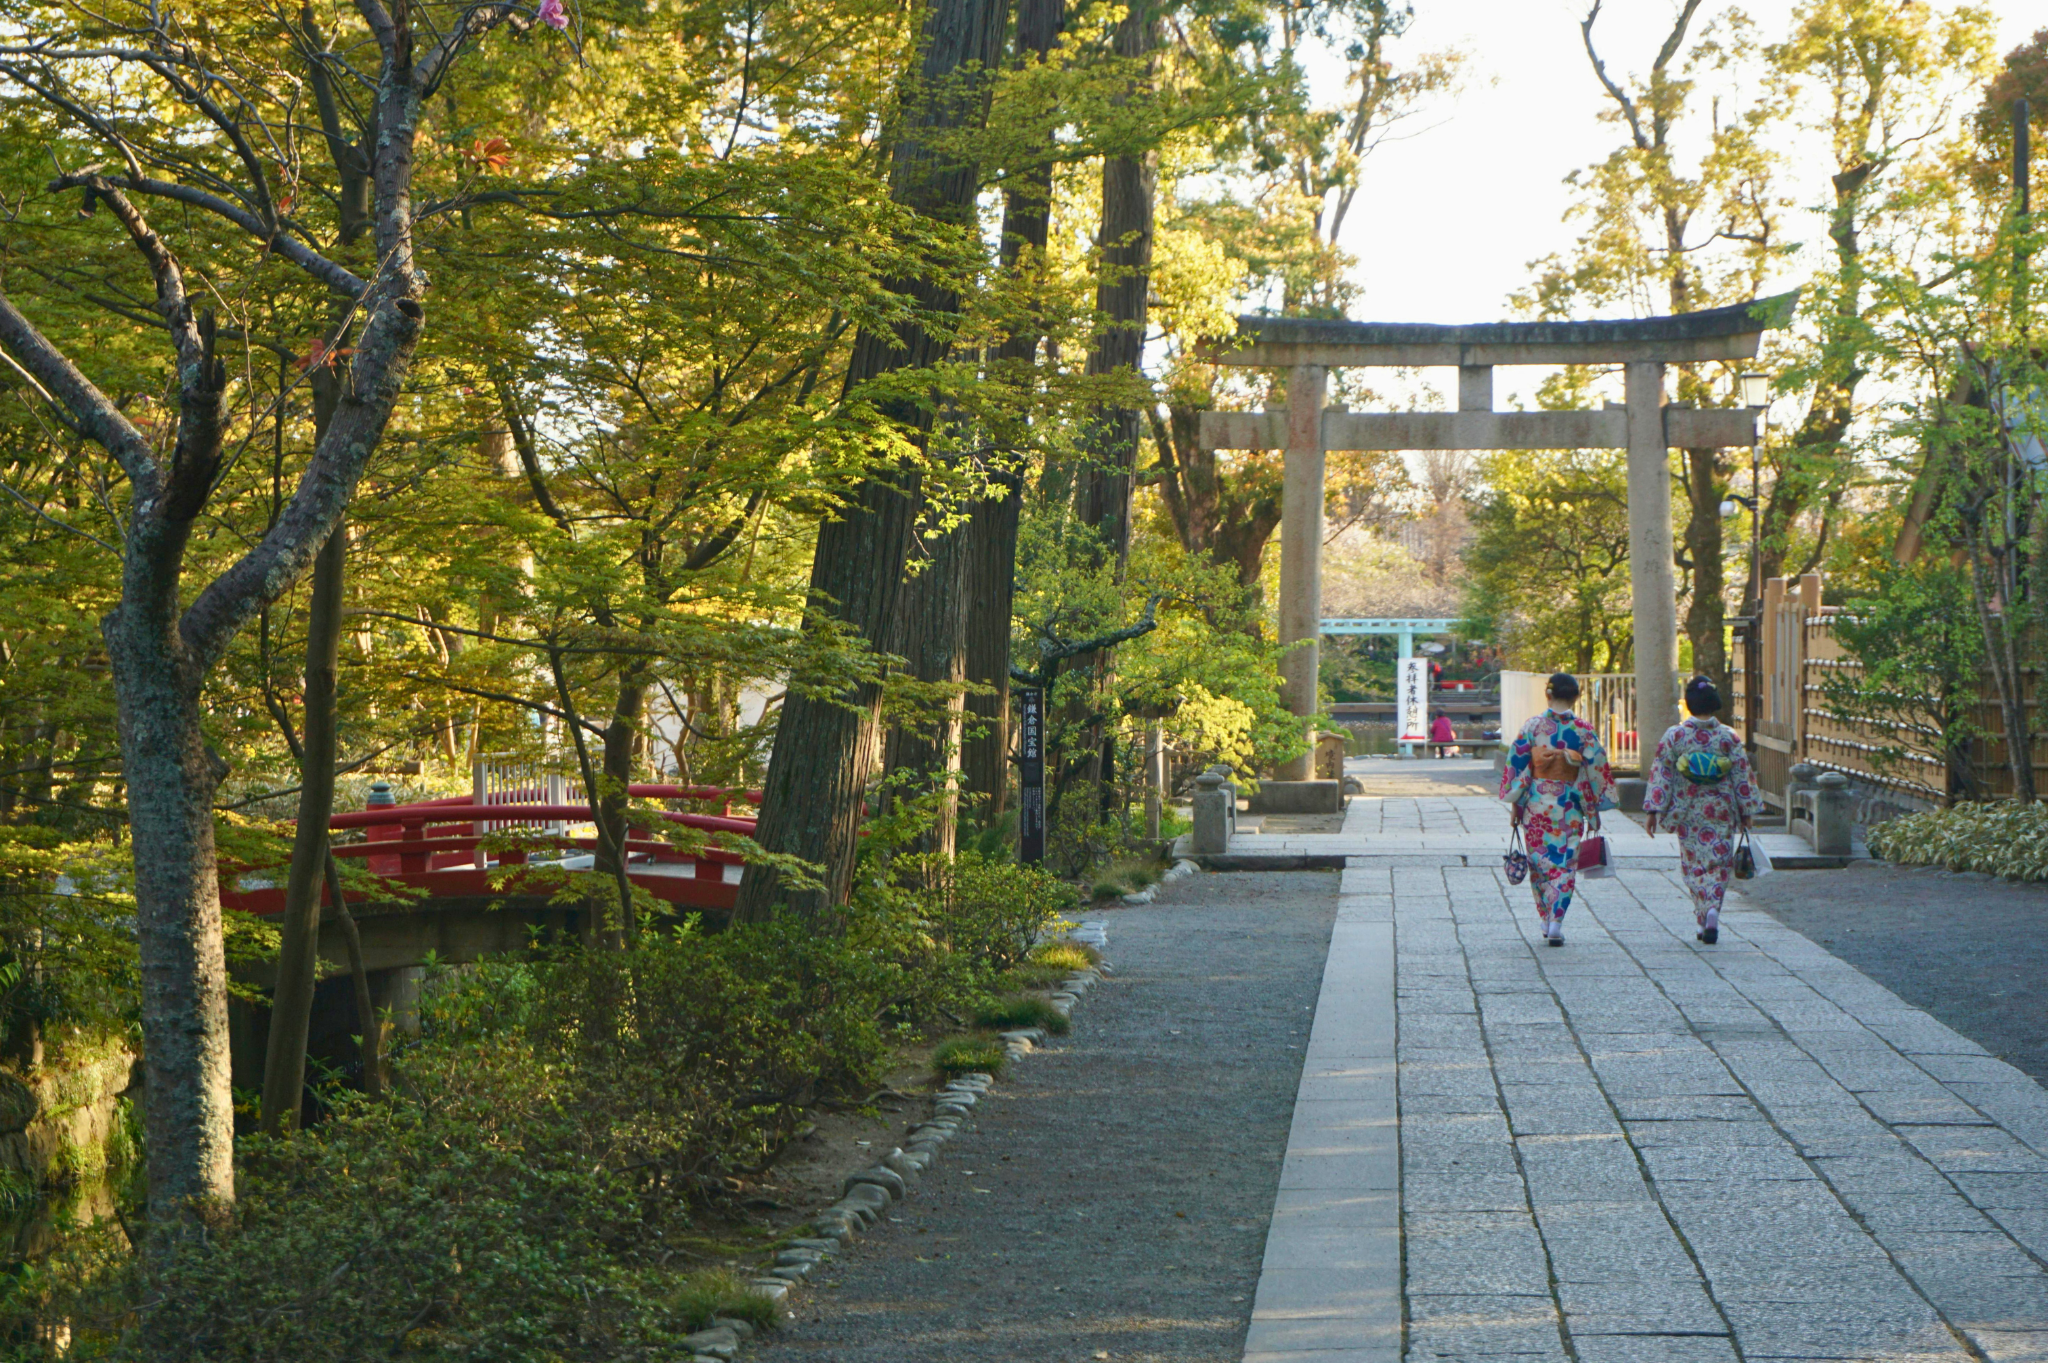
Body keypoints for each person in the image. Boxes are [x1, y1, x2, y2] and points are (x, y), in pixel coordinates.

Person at [1499, 672, 1615, 946]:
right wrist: (1594, 809)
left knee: (1539, 863)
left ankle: (1545, 917)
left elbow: (1518, 768)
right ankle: (1556, 922)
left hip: (1536, 803)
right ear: (1575, 697)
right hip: (1570, 804)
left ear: (1548, 694)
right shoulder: (1583, 729)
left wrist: (1516, 806)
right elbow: (1597, 769)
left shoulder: (1532, 726)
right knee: (1565, 863)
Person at [1644, 675, 1762, 945]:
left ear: (1689, 703)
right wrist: (1747, 811)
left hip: (1688, 809)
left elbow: (1661, 773)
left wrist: (1653, 810)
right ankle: (1711, 911)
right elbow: (1741, 776)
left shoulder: (1675, 735)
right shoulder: (1728, 736)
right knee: (1719, 864)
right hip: (1721, 807)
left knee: (1694, 864)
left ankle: (1702, 913)